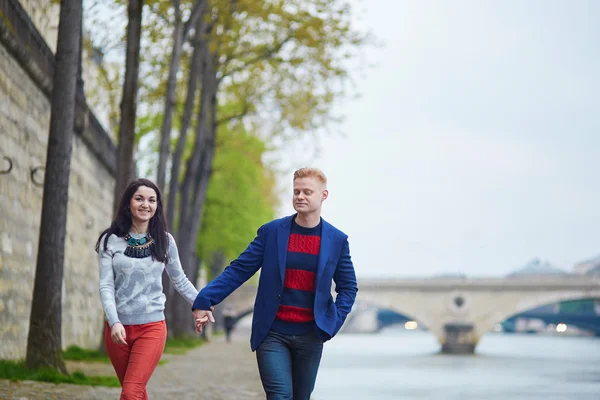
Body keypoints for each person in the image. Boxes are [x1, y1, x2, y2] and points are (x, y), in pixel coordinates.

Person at [192, 167, 358, 400]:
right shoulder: (272, 233)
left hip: (311, 334)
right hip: (272, 332)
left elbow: (348, 287)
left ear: (324, 195)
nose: (300, 196)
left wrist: (333, 321)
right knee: (279, 395)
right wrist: (205, 299)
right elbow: (239, 269)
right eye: (296, 191)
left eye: (307, 192)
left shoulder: (337, 240)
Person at [96, 178, 206, 399]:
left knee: (130, 392)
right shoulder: (110, 240)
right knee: (136, 391)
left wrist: (203, 303)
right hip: (118, 331)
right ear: (128, 204)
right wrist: (114, 320)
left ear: (157, 207)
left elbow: (180, 280)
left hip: (152, 328)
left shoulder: (165, 241)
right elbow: (106, 285)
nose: (146, 204)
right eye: (139, 199)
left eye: (152, 200)